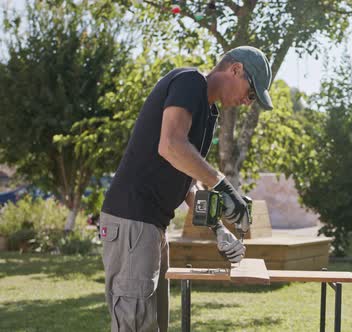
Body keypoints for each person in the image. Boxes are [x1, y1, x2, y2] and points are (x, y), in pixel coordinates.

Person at [98, 46, 273, 332]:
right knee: (135, 325)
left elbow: (187, 182)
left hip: (153, 226)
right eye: (251, 93)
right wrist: (225, 187)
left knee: (156, 324)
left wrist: (219, 231)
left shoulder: (207, 114)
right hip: (132, 219)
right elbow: (170, 146)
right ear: (235, 69)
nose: (247, 102)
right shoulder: (190, 82)